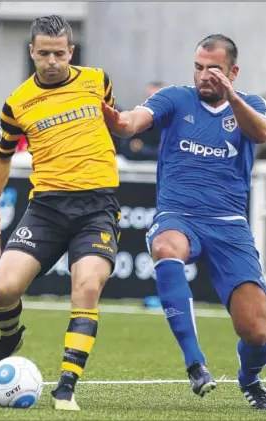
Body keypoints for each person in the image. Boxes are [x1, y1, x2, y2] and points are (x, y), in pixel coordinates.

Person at [103, 34, 266, 410]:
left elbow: (259, 132)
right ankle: (195, 363)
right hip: (179, 215)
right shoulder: (175, 98)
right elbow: (134, 121)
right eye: (198, 66)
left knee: (256, 332)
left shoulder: (250, 105)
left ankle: (249, 378)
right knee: (165, 247)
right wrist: (119, 121)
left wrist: (232, 97)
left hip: (229, 225)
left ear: (233, 71)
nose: (204, 75)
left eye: (214, 69)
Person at [0, 15, 121, 411]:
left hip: (97, 207)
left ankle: (66, 386)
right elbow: (2, 156)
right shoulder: (17, 102)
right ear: (31, 52)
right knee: (3, 290)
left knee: (86, 287)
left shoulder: (97, 80)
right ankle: (8, 340)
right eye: (44, 53)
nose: (52, 61)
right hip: (47, 207)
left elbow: (112, 124)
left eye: (60, 53)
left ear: (71, 52)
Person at [119, 81, 164, 161]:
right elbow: (125, 148)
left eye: (156, 99)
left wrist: (142, 149)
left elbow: (166, 153)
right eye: (150, 98)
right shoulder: (136, 119)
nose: (153, 103)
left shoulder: (171, 123)